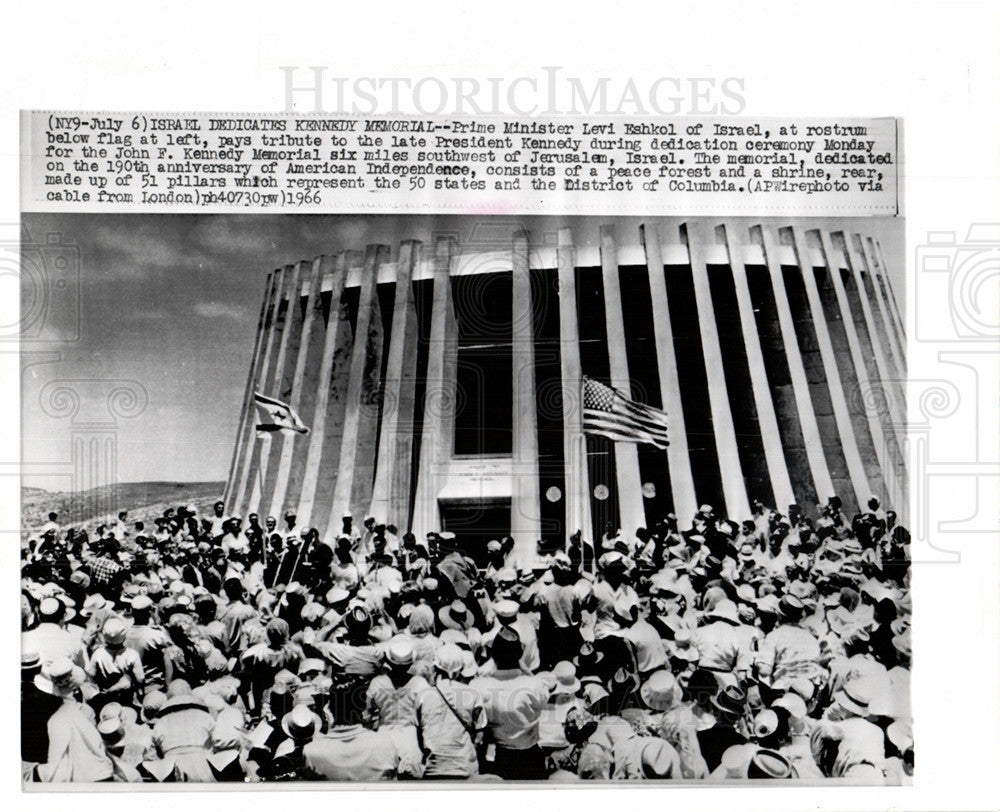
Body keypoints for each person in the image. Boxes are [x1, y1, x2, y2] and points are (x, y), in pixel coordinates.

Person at [470, 628, 549, 779]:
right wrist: (524, 668)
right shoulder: (536, 685)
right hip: (530, 758)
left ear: (493, 655)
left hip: (496, 758)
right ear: (519, 655)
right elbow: (543, 699)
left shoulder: (478, 685)